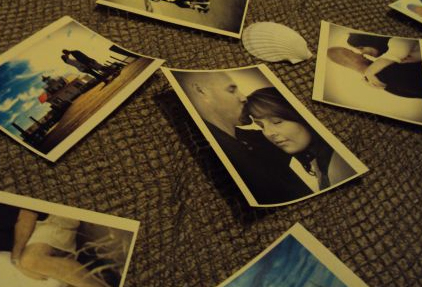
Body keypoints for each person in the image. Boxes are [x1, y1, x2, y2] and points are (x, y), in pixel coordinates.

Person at [176, 72, 308, 204]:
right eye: (231, 90)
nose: (244, 97)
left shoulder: (259, 138)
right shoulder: (211, 150)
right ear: (201, 91)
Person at [241, 86, 356, 192]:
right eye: (261, 126)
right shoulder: (318, 161)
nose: (268, 133)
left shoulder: (342, 160)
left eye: (277, 122)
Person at [329, 32, 422, 97]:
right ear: (347, 58)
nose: (361, 53)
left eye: (361, 48)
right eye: (353, 52)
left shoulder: (376, 76)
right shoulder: (382, 74)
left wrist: (369, 73)